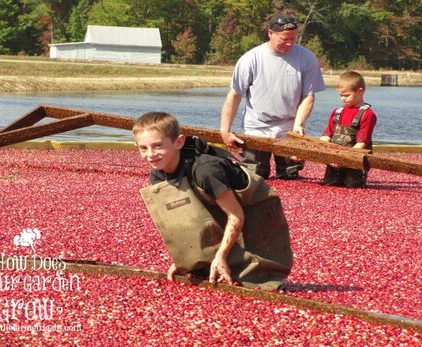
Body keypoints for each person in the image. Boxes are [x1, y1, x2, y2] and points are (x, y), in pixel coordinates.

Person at [134, 112, 293, 290]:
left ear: (179, 142)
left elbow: (236, 215)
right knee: (204, 270)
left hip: (255, 209)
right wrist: (183, 259)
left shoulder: (205, 170)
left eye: (157, 146)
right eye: (143, 148)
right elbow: (182, 218)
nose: (151, 154)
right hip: (217, 205)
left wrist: (221, 256)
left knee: (254, 278)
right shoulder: (158, 174)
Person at [220, 13, 325, 180]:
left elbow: (308, 96)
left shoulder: (307, 58)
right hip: (256, 126)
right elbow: (235, 96)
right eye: (284, 39)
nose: (290, 43)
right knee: (254, 176)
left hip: (289, 127)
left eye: (293, 38)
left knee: (290, 176)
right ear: (271, 33)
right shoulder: (250, 59)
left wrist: (299, 124)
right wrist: (225, 130)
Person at [319, 71, 377, 188]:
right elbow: (326, 136)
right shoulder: (337, 113)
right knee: (329, 185)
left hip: (355, 163)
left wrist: (342, 159)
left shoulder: (367, 114)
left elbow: (361, 143)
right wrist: (325, 153)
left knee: (353, 186)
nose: (343, 99)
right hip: (334, 161)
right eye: (341, 95)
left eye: (347, 95)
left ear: (360, 91)